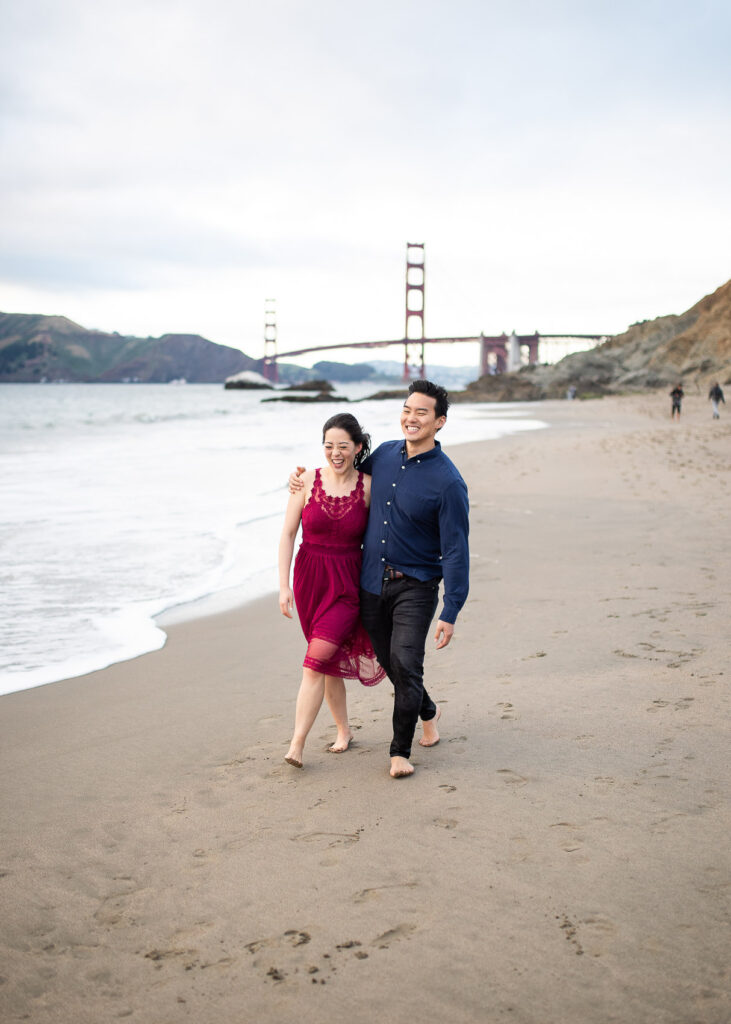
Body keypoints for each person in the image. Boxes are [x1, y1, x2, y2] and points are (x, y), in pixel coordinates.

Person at [291, 380, 469, 779]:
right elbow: (342, 472)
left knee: (406, 663)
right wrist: (300, 479)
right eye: (407, 409)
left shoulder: (449, 483)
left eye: (422, 412)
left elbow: (456, 549)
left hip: (417, 586)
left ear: (439, 422)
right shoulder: (385, 455)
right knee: (391, 664)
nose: (411, 417)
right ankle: (428, 710)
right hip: (369, 582)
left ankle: (399, 752)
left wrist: (451, 608)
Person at [279, 413, 384, 770]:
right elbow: (288, 534)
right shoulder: (306, 480)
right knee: (325, 663)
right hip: (309, 580)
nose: (335, 453)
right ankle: (344, 730)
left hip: (345, 585)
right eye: (328, 446)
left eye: (343, 446)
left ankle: (296, 745)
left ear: (357, 447)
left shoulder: (370, 486)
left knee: (314, 663)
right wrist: (283, 587)